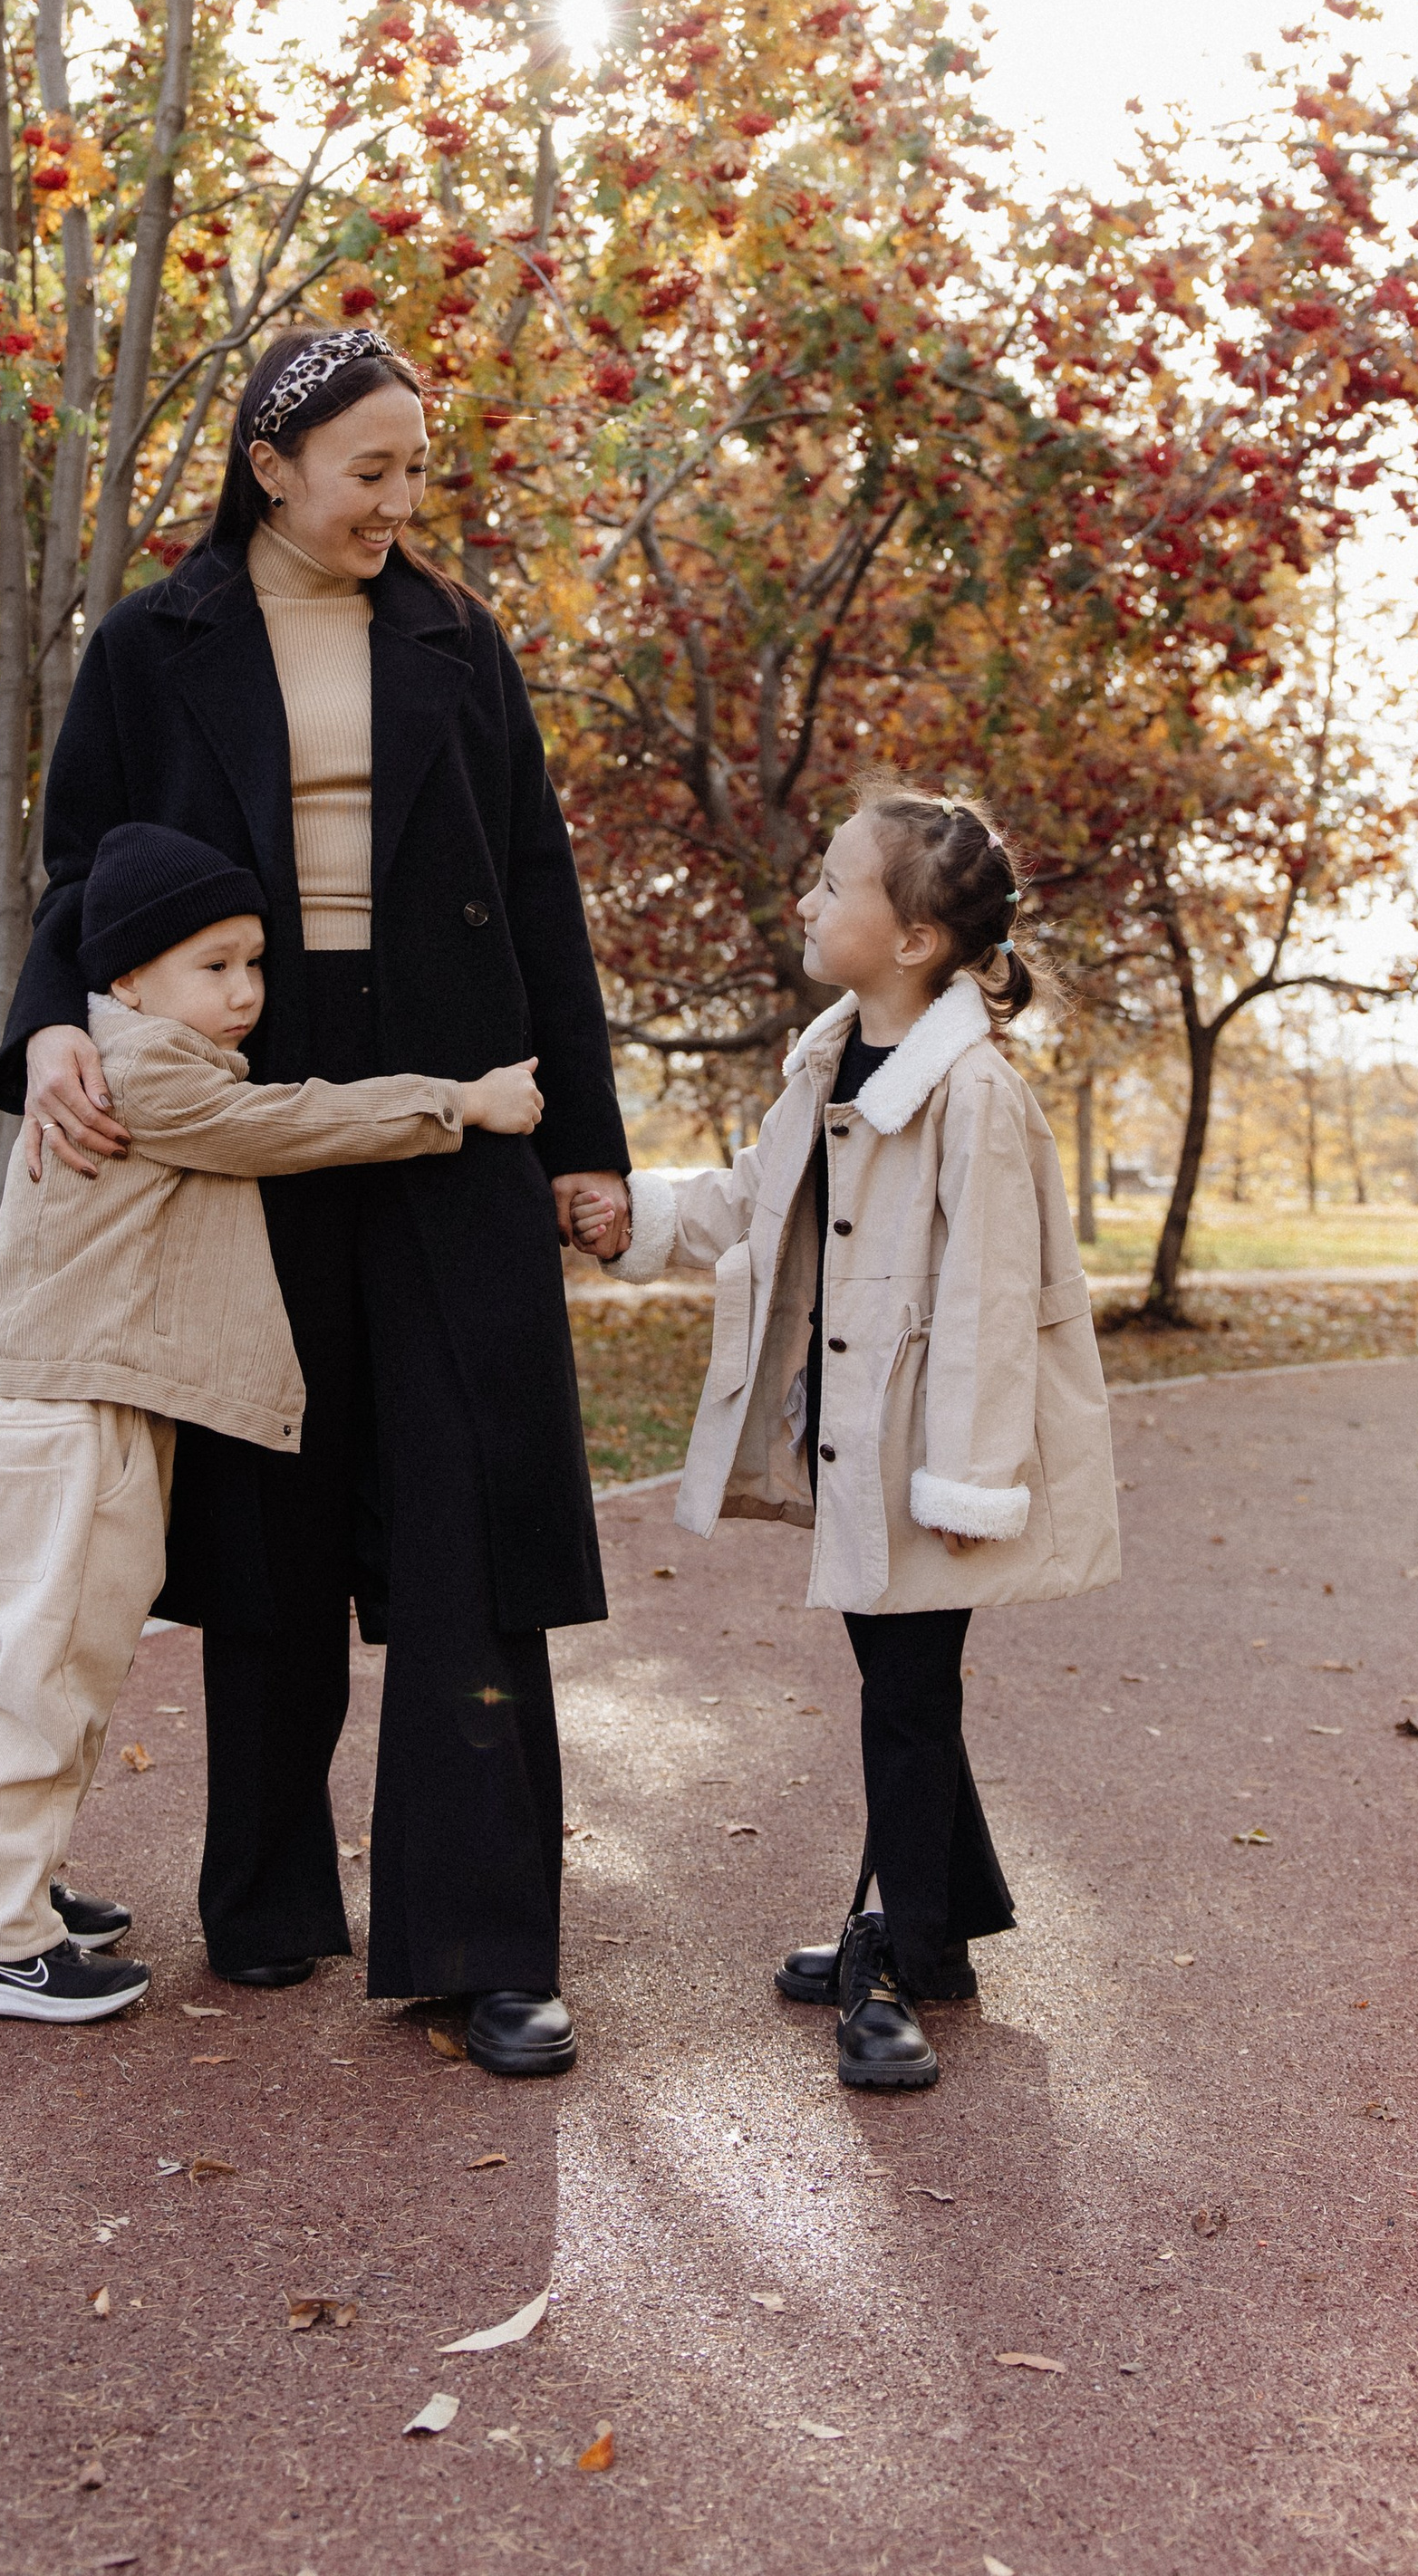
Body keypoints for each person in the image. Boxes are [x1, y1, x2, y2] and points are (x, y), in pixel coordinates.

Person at [0, 325, 632, 2078]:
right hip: (241, 1102)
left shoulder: (455, 639)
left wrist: (585, 1140)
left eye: (417, 468)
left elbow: (539, 885)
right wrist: (54, 1027)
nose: (401, 501)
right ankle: (265, 1902)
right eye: (370, 470)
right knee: (267, 1508)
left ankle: (485, 1946)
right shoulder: (152, 644)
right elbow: (80, 872)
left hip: (459, 1103)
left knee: (469, 1515)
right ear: (270, 469)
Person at [0, 822, 545, 2023]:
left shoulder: (124, 1055)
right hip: (70, 1419)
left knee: (60, 1666)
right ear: (127, 978)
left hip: (78, 1408)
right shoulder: (141, 1073)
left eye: (256, 963)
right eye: (214, 966)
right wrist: (458, 1103)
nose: (247, 992)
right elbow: (290, 1125)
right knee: (47, 1674)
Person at [574, 794, 1117, 2091]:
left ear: (915, 940)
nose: (808, 903)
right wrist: (632, 1215)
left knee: (909, 1699)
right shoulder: (831, 1062)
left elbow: (992, 1301)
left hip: (929, 1456)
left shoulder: (973, 1094)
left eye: (833, 885)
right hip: (860, 1440)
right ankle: (946, 1924)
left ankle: (901, 1955)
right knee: (904, 1686)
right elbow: (754, 1198)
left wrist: (966, 1483)